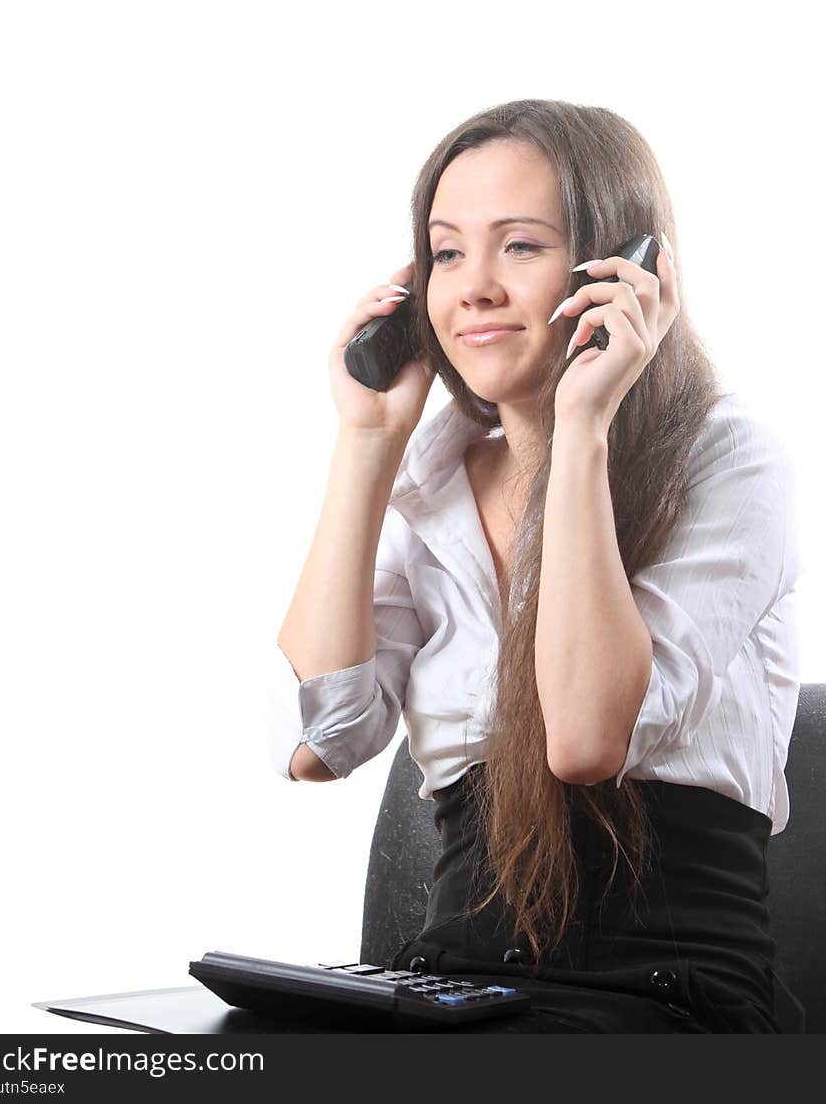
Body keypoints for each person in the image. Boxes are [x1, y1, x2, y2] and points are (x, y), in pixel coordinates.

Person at [266, 99, 804, 1033]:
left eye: (519, 246)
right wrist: (368, 445)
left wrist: (583, 429)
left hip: (662, 998)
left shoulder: (726, 457)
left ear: (622, 268)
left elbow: (585, 742)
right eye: (446, 252)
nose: (473, 287)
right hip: (456, 995)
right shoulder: (429, 480)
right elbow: (324, 741)